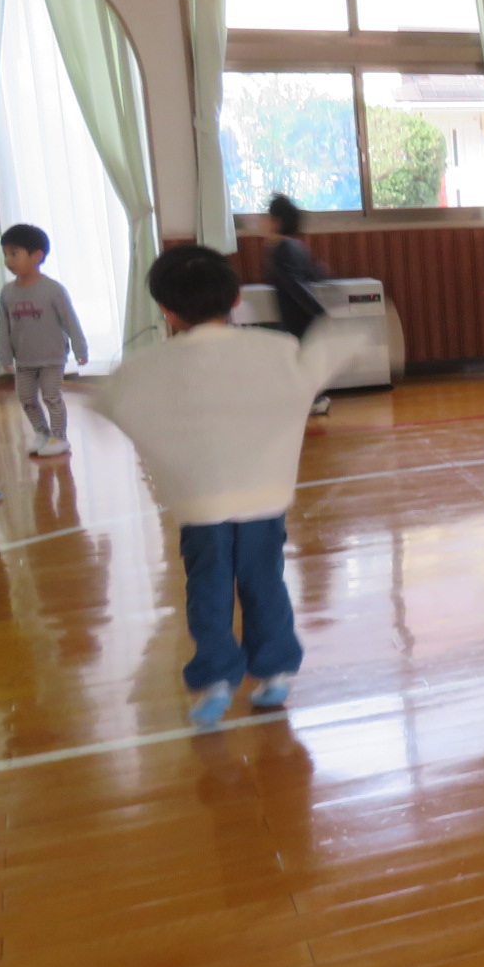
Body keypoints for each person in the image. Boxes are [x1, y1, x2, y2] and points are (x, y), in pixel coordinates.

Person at [94, 244, 361, 727]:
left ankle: (215, 679)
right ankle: (275, 671)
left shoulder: (151, 365)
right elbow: (316, 363)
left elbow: (117, 397)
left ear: (167, 310)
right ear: (236, 298)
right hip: (264, 498)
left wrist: (92, 401)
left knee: (208, 589)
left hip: (201, 504)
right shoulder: (274, 350)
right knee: (265, 582)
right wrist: (341, 334)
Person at [0, 223, 88, 459]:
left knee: (51, 396)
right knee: (26, 398)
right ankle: (41, 433)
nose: (8, 260)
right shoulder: (7, 292)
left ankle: (59, 437)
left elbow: (70, 320)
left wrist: (80, 348)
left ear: (36, 256)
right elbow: (3, 326)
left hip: (52, 357)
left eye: (14, 253)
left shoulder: (53, 289)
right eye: (5, 254)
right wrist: (4, 355)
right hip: (24, 359)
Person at [262, 193, 333, 416]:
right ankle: (313, 399)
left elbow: (293, 284)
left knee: (298, 359)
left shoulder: (282, 248)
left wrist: (318, 311)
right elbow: (312, 273)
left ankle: (312, 401)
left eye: (269, 218)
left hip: (295, 314)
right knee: (303, 359)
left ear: (277, 221)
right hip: (303, 314)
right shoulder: (297, 246)